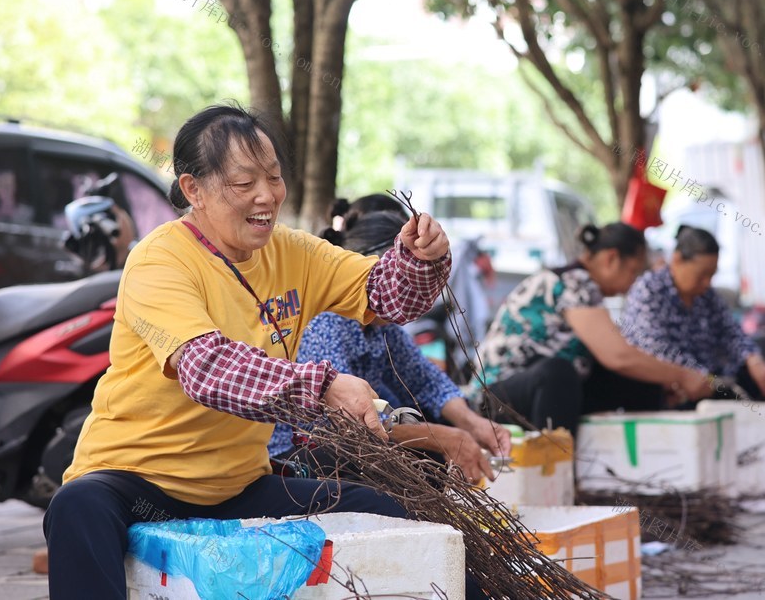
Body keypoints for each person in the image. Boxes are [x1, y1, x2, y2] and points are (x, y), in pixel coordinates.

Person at [43, 105, 456, 599]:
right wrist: (322, 387)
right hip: (134, 482)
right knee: (77, 507)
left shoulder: (295, 252)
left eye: (274, 177)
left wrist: (420, 260)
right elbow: (207, 369)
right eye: (244, 184)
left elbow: (386, 297)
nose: (266, 196)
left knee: (393, 509)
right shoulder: (159, 261)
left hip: (236, 486)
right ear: (193, 189)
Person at [269, 210, 510, 484]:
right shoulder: (326, 322)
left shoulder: (384, 328)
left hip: (349, 446)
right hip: (296, 458)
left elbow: (427, 382)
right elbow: (349, 424)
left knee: (428, 458)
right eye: (404, 281)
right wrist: (443, 436)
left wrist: (472, 424)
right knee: (411, 465)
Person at [476, 222, 712, 435]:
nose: (632, 284)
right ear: (611, 259)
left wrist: (661, 383)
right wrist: (682, 375)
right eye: (633, 272)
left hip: (534, 393)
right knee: (559, 373)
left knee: (639, 381)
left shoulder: (584, 287)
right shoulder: (573, 282)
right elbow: (618, 356)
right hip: (497, 396)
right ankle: (556, 470)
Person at [619, 225, 765, 407]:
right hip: (673, 381)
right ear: (677, 260)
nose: (706, 283)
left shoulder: (707, 295)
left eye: (711, 275)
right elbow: (655, 349)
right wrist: (694, 377)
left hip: (711, 380)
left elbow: (730, 332)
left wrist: (753, 359)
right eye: (701, 275)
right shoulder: (649, 290)